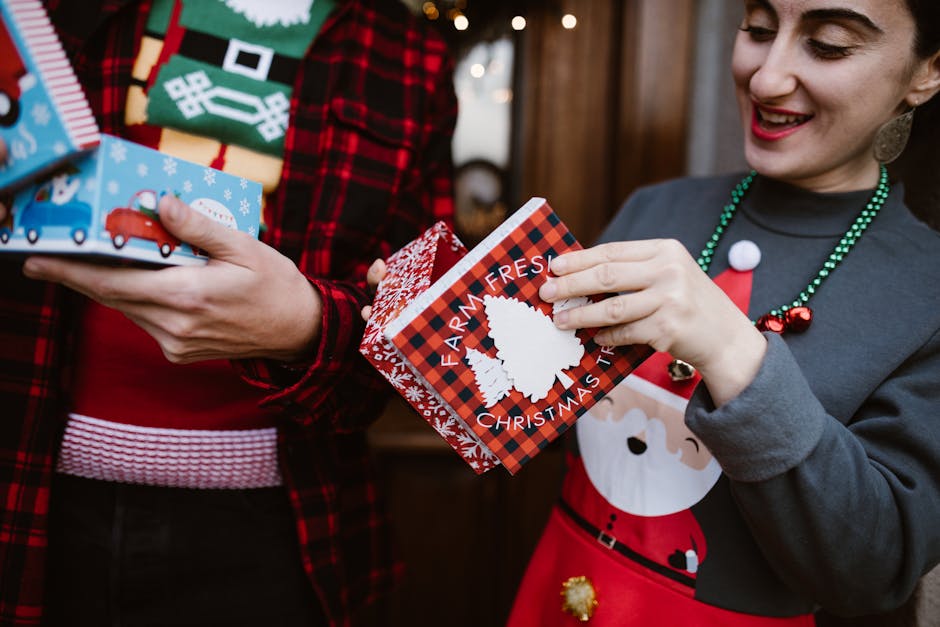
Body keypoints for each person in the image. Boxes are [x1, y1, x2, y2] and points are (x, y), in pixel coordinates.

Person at [0, 0, 456, 625]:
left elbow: (426, 326)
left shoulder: (409, 53)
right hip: (29, 498)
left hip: (282, 523)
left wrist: (309, 326)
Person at [504, 0, 940, 625]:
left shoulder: (927, 292)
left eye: (830, 44)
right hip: (556, 589)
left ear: (926, 71)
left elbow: (876, 568)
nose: (765, 78)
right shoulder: (655, 210)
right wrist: (456, 326)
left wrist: (733, 353)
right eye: (759, 30)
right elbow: (550, 415)